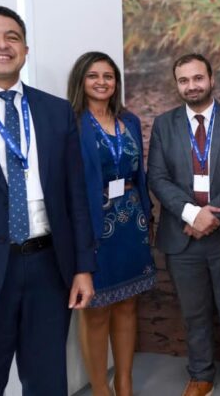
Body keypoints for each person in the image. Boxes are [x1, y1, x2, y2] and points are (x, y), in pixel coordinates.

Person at [0, 4, 95, 394]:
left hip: (49, 268)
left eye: (12, 37)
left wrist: (83, 267)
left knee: (47, 382)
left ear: (25, 50)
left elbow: (76, 196)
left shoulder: (55, 111)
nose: (2, 44)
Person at [148, 54, 220, 396]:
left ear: (211, 79)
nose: (191, 86)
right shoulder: (163, 124)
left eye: (197, 78)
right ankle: (201, 375)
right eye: (184, 80)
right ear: (176, 85)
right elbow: (157, 177)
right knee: (194, 313)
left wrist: (213, 215)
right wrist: (192, 214)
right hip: (182, 236)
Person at [67, 51, 156, 396]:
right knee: (96, 310)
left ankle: (124, 383)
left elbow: (139, 173)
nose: (102, 82)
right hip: (94, 223)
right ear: (81, 81)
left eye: (108, 76)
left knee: (128, 304)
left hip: (131, 222)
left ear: (116, 82)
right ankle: (101, 389)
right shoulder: (72, 122)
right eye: (93, 76)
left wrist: (147, 214)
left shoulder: (128, 120)